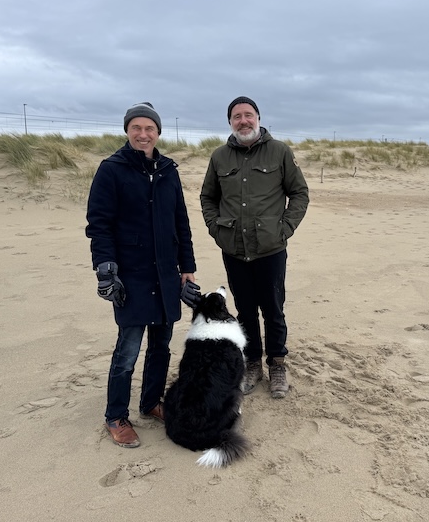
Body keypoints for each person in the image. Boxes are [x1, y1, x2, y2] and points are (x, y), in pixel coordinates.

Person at [86, 101, 199, 448]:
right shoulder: (112, 169)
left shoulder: (169, 170)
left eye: (149, 128)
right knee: (128, 351)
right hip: (131, 276)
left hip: (165, 274)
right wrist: (105, 270)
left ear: (158, 133)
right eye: (136, 127)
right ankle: (116, 416)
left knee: (161, 347)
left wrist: (187, 269)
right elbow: (99, 225)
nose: (143, 133)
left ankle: (150, 403)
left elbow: (181, 222)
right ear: (127, 131)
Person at [200, 96, 309, 399]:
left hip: (270, 249)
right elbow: (208, 197)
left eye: (249, 115)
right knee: (245, 311)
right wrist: (216, 229)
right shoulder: (219, 157)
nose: (243, 121)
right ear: (230, 123)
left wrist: (284, 229)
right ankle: (252, 364)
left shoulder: (279, 152)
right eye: (237, 116)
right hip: (234, 250)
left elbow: (299, 193)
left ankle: (277, 364)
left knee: (273, 311)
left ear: (258, 118)